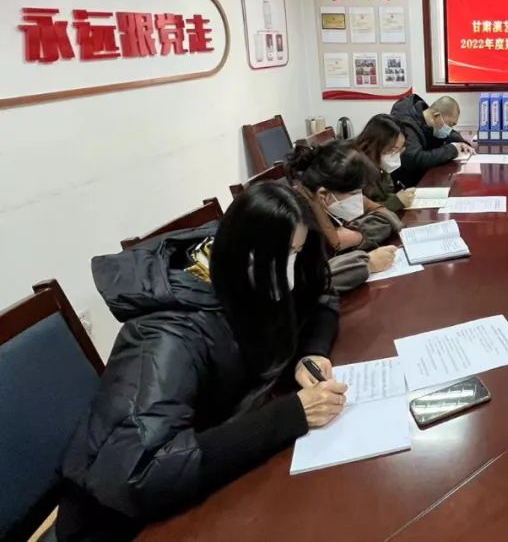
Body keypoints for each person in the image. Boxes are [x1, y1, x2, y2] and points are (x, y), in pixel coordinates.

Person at [57, 184, 348, 541]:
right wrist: (292, 415)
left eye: (297, 253)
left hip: (214, 477)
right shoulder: (166, 336)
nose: (291, 269)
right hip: (123, 523)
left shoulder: (249, 279)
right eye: (286, 255)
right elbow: (142, 471)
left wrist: (312, 351)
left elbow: (318, 295)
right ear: (245, 254)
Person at [287, 140, 400, 291]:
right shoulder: (298, 219)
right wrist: (367, 264)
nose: (359, 199)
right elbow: (307, 281)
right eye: (354, 193)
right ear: (323, 195)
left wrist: (357, 236)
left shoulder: (326, 196)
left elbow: (386, 217)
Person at [389, 93, 472, 188]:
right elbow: (415, 159)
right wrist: (453, 149)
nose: (449, 129)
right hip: (404, 184)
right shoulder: (406, 125)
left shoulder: (425, 117)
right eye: (450, 124)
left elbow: (450, 133)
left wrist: (461, 142)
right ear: (436, 116)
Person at [354, 113, 415, 213]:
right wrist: (395, 202)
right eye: (393, 149)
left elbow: (383, 194)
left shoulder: (378, 164)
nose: (396, 155)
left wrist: (399, 198)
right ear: (376, 143)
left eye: (399, 150)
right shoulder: (354, 167)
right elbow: (357, 212)